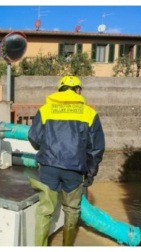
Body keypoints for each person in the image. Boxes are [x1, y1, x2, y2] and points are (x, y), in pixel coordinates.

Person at [28, 75, 105, 246]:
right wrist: (91, 173)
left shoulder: (45, 110)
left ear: (60, 90)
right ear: (78, 90)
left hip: (48, 167)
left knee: (45, 210)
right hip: (74, 170)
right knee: (71, 210)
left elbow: (33, 137)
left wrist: (46, 148)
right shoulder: (89, 113)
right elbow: (96, 148)